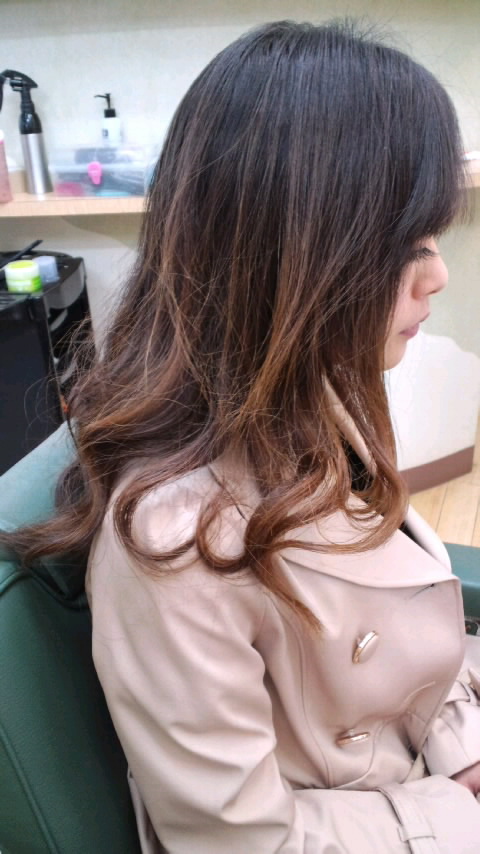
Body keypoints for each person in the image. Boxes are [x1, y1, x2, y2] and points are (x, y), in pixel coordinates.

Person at [4, 18, 480, 854]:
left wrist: (463, 752)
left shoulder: (313, 399)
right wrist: (457, 814)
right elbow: (241, 839)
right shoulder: (175, 544)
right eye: (408, 245)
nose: (437, 274)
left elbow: (405, 654)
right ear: (295, 254)